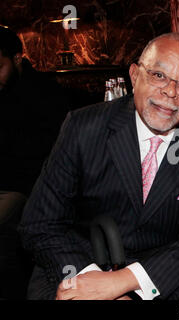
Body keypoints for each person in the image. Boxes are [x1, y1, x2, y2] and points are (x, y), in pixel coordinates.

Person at [18, 32, 179, 300]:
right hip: (81, 259)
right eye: (159, 76)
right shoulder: (84, 127)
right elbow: (39, 224)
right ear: (135, 75)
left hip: (165, 270)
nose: (171, 92)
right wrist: (90, 280)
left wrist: (123, 283)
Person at [0, 27, 69, 299]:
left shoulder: (45, 94)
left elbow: (45, 158)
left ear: (17, 58)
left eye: (0, 67)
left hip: (26, 188)